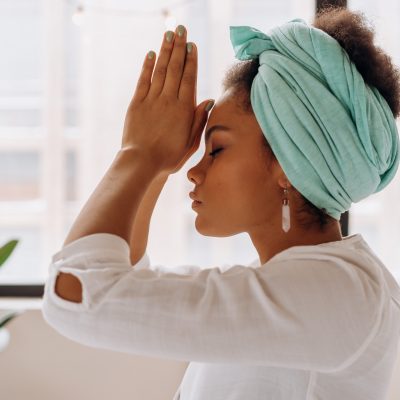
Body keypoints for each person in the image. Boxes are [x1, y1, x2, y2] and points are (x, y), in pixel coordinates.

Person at [41, 6, 400, 400]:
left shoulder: (337, 292)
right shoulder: (303, 285)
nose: (193, 172)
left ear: (287, 163)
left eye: (216, 149)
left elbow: (76, 293)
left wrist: (139, 154)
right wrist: (159, 168)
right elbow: (123, 275)